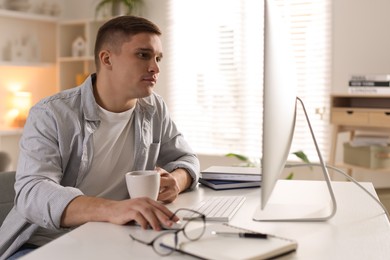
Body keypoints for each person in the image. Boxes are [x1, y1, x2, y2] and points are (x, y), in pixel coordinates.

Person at [0, 15, 200, 259]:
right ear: (107, 59)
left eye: (158, 58)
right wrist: (114, 209)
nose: (155, 68)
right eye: (143, 55)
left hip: (113, 238)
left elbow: (186, 157)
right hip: (42, 243)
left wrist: (178, 181)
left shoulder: (153, 107)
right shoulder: (51, 113)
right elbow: (33, 193)